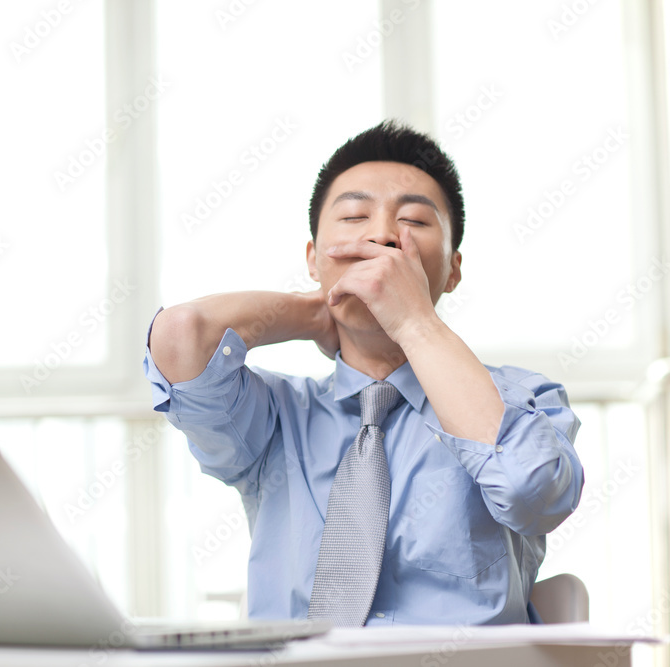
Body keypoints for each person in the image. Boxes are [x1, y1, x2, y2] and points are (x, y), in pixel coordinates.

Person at [142, 120, 584, 625]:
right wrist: (314, 312)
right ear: (314, 258)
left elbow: (533, 493)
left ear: (453, 269)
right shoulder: (277, 418)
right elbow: (179, 335)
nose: (381, 236)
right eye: (354, 216)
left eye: (414, 221)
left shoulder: (523, 397)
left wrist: (415, 322)